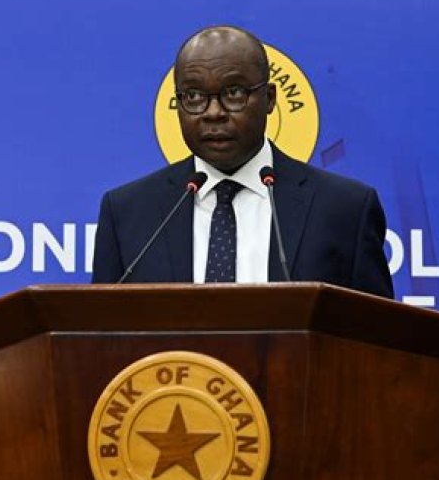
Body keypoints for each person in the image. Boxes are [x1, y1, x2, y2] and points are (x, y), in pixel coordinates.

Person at [92, 26, 393, 298]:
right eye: (194, 96)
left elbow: (376, 333)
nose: (213, 113)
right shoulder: (127, 213)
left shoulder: (345, 210)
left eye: (233, 93)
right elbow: (100, 331)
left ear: (270, 99)